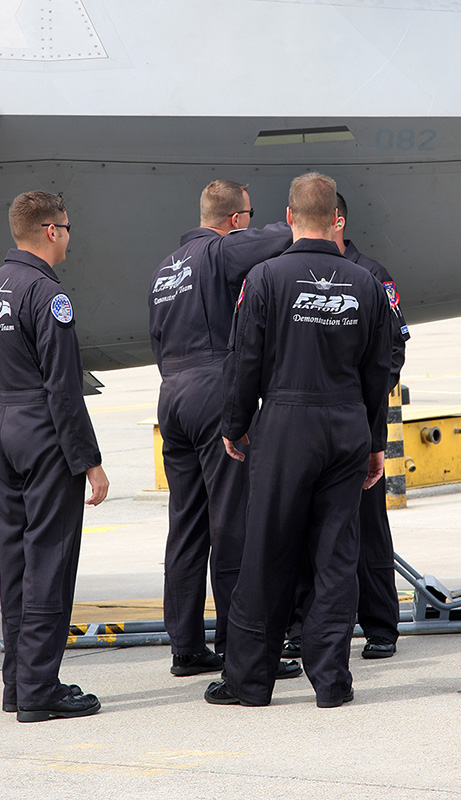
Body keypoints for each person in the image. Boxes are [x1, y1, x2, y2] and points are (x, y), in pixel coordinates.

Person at [204, 172, 392, 708]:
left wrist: (234, 424)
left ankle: (250, 682)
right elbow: (378, 371)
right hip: (346, 425)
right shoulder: (365, 283)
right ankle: (332, 683)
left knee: (268, 551)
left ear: (287, 217)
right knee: (336, 557)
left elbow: (245, 361)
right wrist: (374, 440)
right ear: (336, 217)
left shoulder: (263, 278)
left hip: (286, 423)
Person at [148, 179, 297, 678]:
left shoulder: (164, 270)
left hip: (172, 394)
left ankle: (186, 646)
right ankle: (241, 649)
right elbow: (281, 237)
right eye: (248, 215)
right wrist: (303, 217)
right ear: (234, 220)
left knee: (186, 526)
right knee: (232, 521)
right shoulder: (221, 251)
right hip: (214, 390)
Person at [0, 191, 109, 722]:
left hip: (3, 427)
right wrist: (89, 460)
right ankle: (39, 690)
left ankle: (17, 683)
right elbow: (63, 386)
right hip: (43, 430)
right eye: (68, 227)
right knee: (49, 560)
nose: (71, 237)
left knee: (15, 561)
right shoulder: (47, 293)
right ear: (52, 231)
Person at [282, 193, 410, 661]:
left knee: (367, 525)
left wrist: (362, 404)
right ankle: (302, 625)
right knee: (302, 528)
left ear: (336, 221)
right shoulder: (289, 271)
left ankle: (380, 625)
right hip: (305, 420)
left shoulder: (372, 275)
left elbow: (393, 353)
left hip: (355, 418)